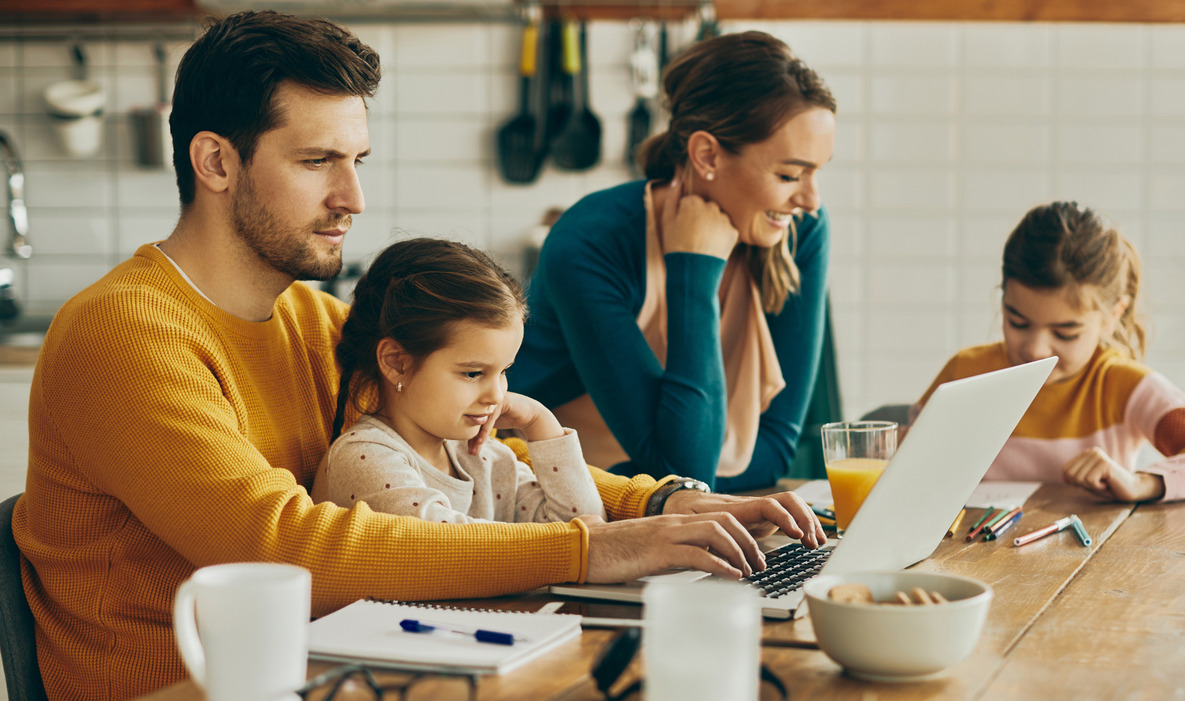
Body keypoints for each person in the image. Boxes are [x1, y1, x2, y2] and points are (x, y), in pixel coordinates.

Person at [11, 12, 823, 700]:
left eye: (355, 161)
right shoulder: (124, 333)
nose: (353, 199)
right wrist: (595, 547)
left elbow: (478, 457)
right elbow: (286, 546)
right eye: (316, 161)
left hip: (330, 670)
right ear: (216, 161)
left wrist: (657, 506)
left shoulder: (308, 318)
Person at [509, 31, 837, 492]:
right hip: (557, 502)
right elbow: (682, 470)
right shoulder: (590, 243)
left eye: (816, 172)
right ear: (707, 155)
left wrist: (691, 489)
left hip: (683, 512)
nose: (809, 199)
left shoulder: (802, 230)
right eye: (788, 174)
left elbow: (778, 444)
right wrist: (694, 270)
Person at [911, 201, 1185, 502]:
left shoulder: (1125, 386)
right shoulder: (965, 372)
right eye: (1017, 322)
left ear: (1112, 316)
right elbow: (900, 471)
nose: (1035, 348)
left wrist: (1143, 483)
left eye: (1065, 332)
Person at [313, 237, 606, 524]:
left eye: (504, 371)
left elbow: (584, 526)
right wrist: (575, 544)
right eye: (473, 373)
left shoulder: (484, 457)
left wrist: (539, 421)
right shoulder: (364, 458)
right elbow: (457, 550)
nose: (497, 395)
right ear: (396, 363)